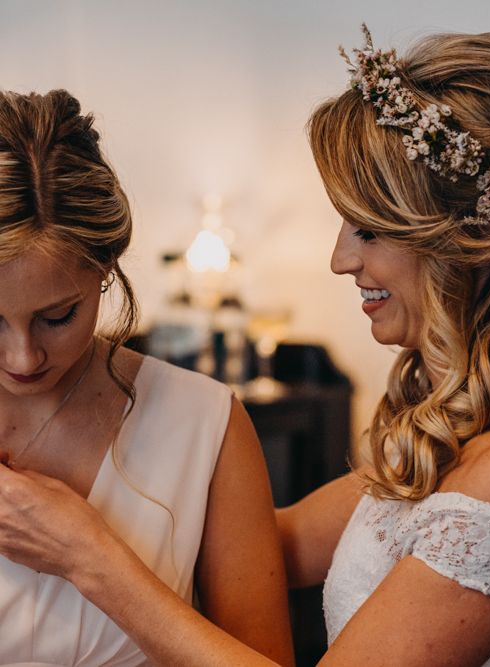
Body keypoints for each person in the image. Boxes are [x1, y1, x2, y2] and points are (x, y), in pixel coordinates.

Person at [0, 27, 490, 666]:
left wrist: (88, 554)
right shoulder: (463, 440)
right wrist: (169, 449)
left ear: (486, 231)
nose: (340, 258)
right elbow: (259, 546)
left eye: (369, 230)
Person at [0, 90, 294, 667]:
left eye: (58, 316)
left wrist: (91, 556)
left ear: (106, 270)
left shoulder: (205, 425)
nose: (24, 358)